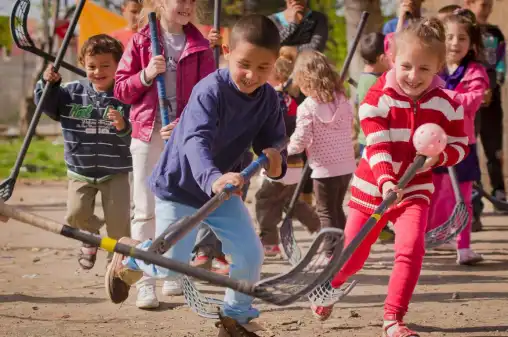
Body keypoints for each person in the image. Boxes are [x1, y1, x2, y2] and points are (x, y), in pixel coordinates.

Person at [105, 14, 287, 335]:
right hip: (182, 184)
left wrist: (275, 159)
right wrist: (212, 177)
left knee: (249, 253)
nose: (251, 75)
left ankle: (236, 318)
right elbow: (195, 140)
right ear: (227, 51)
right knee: (170, 264)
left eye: (263, 68)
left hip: (222, 192)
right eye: (244, 64)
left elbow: (272, 141)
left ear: (275, 63)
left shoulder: (269, 98)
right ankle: (130, 259)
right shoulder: (210, 91)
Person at [310, 18, 470, 337]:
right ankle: (330, 284)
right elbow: (378, 143)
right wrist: (385, 181)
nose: (413, 76)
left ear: (439, 67)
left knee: (410, 248)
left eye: (425, 69)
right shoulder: (376, 97)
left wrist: (440, 157)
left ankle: (393, 317)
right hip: (373, 189)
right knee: (353, 256)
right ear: (391, 59)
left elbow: (461, 144)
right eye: (406, 65)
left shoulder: (447, 103)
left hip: (414, 189)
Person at [113, 0, 215, 309]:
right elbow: (120, 89)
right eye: (178, 0)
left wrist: (184, 126)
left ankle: (173, 271)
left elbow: (209, 95)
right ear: (160, 3)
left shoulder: (199, 45)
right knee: (145, 209)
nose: (186, 5)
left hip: (183, 136)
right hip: (147, 133)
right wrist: (146, 74)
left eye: (191, 1)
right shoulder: (142, 40)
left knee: (180, 207)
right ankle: (145, 280)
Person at [34, 34, 132, 271]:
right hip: (80, 169)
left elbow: (137, 134)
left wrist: (122, 125)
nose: (98, 71)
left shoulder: (126, 95)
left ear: (118, 65)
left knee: (119, 226)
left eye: (105, 65)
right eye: (91, 66)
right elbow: (46, 105)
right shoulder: (70, 92)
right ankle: (90, 236)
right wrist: (48, 83)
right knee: (75, 216)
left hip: (115, 170)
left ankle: (116, 265)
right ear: (82, 65)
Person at [427, 9, 489, 264]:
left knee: (463, 197)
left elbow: (472, 102)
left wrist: (443, 99)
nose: (455, 43)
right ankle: (427, 237)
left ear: (472, 43)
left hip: (463, 145)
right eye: (450, 37)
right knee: (432, 193)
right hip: (432, 145)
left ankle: (463, 248)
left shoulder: (476, 72)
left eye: (462, 38)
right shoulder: (433, 69)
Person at [287, 50, 356, 259]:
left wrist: (287, 150)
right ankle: (345, 250)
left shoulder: (307, 106)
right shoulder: (342, 99)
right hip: (345, 165)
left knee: (325, 211)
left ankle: (331, 256)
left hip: (324, 168)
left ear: (303, 79)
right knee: (337, 208)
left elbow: (301, 138)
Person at [255, 49, 320, 257]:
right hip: (294, 162)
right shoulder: (292, 100)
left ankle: (269, 241)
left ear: (279, 77)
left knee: (265, 199)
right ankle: (318, 225)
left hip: (277, 160)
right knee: (289, 200)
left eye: (268, 74)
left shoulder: (273, 97)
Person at [269, 0, 330, 207]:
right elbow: (271, 45)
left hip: (307, 86)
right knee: (280, 138)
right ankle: (281, 193)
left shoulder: (318, 19)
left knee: (308, 141)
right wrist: (293, 26)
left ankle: (304, 199)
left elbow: (314, 48)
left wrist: (286, 50)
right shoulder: (273, 21)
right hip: (277, 86)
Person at [464, 0, 507, 230]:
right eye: (483, 3)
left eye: (490, 4)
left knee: (494, 145)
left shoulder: (495, 32)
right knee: (470, 146)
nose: (487, 8)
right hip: (471, 94)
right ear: (469, 3)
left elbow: (501, 62)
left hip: (492, 94)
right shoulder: (465, 29)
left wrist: (494, 84)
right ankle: (474, 203)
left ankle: (499, 192)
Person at [357, 32, 394, 244]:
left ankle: (378, 225)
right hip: (375, 139)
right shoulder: (377, 82)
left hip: (365, 138)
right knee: (377, 186)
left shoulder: (363, 78)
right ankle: (377, 226)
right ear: (381, 58)